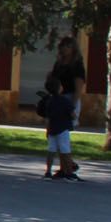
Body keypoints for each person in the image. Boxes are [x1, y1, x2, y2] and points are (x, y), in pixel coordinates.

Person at [46, 37, 87, 180]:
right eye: (63, 45)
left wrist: (73, 107)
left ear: (73, 48)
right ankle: (65, 167)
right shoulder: (58, 64)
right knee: (55, 134)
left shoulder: (76, 65)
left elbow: (78, 87)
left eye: (68, 46)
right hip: (57, 99)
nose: (65, 48)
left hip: (69, 100)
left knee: (63, 134)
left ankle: (68, 168)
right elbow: (53, 80)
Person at [40, 77, 76, 179]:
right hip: (63, 128)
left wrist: (47, 130)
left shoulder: (49, 101)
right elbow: (73, 114)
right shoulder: (65, 100)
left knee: (51, 150)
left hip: (52, 129)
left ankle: (48, 172)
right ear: (59, 88)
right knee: (65, 151)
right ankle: (69, 173)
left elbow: (47, 118)